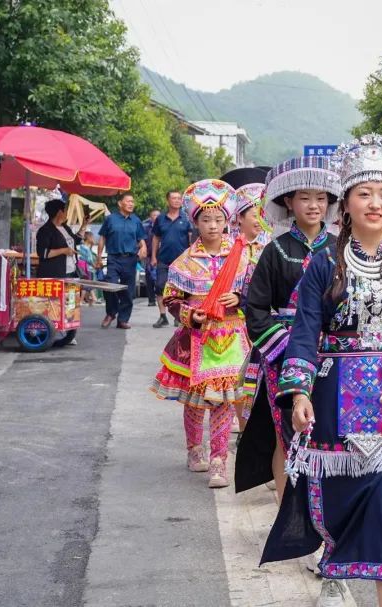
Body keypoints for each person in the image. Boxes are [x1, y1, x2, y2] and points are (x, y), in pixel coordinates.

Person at [261, 134, 382, 607]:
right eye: (364, 194)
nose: (374, 204)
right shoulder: (323, 264)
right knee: (336, 498)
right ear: (347, 203)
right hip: (333, 397)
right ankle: (335, 568)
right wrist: (298, 393)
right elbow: (304, 332)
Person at [235, 156, 341, 501]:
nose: (314, 205)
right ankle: (286, 508)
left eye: (321, 198)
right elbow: (255, 309)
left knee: (328, 429)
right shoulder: (274, 251)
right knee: (286, 430)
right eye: (305, 198)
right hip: (283, 354)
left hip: (331, 353)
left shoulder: (340, 250)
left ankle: (323, 505)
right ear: (288, 202)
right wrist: (285, 349)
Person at [151, 179, 252, 489]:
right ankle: (195, 450)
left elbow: (254, 292)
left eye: (219, 219)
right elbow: (171, 298)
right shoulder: (184, 262)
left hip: (232, 337)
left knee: (224, 402)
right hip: (197, 340)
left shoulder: (241, 257)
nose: (213, 225)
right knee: (195, 402)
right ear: (194, 221)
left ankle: (219, 460)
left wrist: (240, 299)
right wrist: (189, 314)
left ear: (227, 221)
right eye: (206, 219)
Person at [229, 182, 270, 433]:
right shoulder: (231, 248)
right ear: (240, 218)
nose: (258, 219)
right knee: (238, 377)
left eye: (261, 214)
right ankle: (244, 428)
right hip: (235, 323)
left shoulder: (270, 247)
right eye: (253, 214)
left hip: (262, 320)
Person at [36, 198, 87, 347]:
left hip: (70, 271)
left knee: (70, 303)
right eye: (64, 210)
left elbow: (75, 241)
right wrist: (64, 251)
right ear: (59, 212)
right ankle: (51, 331)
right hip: (54, 272)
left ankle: (70, 332)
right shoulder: (45, 231)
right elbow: (43, 253)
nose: (66, 214)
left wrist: (84, 225)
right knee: (54, 304)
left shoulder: (65, 227)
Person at [97, 193, 147, 329]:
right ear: (120, 203)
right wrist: (98, 257)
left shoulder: (136, 220)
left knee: (128, 291)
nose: (131, 204)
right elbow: (102, 238)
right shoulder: (110, 219)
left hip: (130, 259)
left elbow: (141, 239)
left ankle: (123, 320)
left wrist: (144, 247)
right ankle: (111, 313)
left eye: (133, 202)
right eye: (128, 201)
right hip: (113, 258)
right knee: (110, 286)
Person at [152, 190, 192, 328]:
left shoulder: (186, 218)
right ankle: (162, 315)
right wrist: (153, 256)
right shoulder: (160, 219)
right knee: (159, 286)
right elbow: (156, 238)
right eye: (173, 198)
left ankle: (178, 315)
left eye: (179, 198)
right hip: (163, 258)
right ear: (167, 200)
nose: (176, 200)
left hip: (182, 261)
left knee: (181, 289)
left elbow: (191, 238)